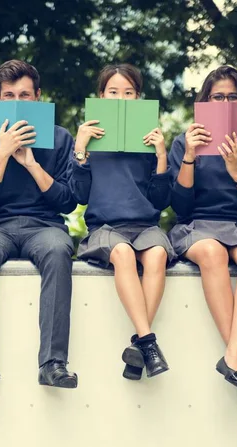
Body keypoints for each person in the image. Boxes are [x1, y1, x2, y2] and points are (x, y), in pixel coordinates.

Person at [0, 59, 78, 399]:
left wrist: (29, 162)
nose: (17, 100)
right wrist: (1, 154)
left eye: (25, 95)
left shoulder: (60, 138)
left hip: (45, 226)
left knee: (59, 250)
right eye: (9, 95)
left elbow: (68, 202)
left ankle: (52, 362)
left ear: (38, 98)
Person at [168, 65, 237, 389]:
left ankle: (231, 355)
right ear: (206, 101)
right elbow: (181, 206)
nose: (225, 103)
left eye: (233, 97)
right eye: (218, 97)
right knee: (213, 252)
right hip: (197, 226)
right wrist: (189, 156)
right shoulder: (183, 143)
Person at [70, 64, 174, 380]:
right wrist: (80, 149)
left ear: (138, 98)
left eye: (128, 93)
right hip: (105, 229)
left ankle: (139, 345)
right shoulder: (89, 141)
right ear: (101, 96)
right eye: (113, 93)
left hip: (145, 227)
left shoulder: (147, 141)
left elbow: (161, 201)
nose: (120, 99)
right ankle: (149, 342)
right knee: (124, 255)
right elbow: (78, 195)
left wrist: (160, 155)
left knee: (156, 254)